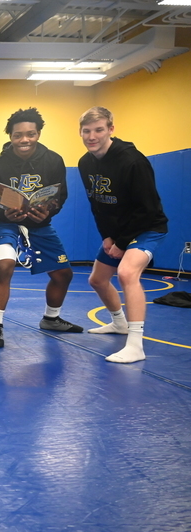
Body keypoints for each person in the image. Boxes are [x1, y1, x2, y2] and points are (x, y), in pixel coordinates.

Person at [0, 108, 83, 348]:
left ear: (38, 134)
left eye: (30, 134)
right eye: (18, 135)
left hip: (39, 225)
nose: (24, 140)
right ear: (10, 136)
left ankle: (51, 319)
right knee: (4, 265)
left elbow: (60, 196)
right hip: (5, 224)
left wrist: (48, 211)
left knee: (64, 274)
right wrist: (4, 213)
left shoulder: (54, 160)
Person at [78, 106, 169, 363]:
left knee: (127, 273)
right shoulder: (85, 162)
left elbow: (147, 209)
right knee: (97, 280)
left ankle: (136, 345)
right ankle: (119, 323)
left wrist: (121, 242)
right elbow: (97, 203)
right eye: (86, 131)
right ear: (80, 132)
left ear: (111, 129)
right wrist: (107, 237)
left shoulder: (132, 161)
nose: (92, 136)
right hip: (117, 232)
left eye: (99, 130)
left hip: (147, 227)